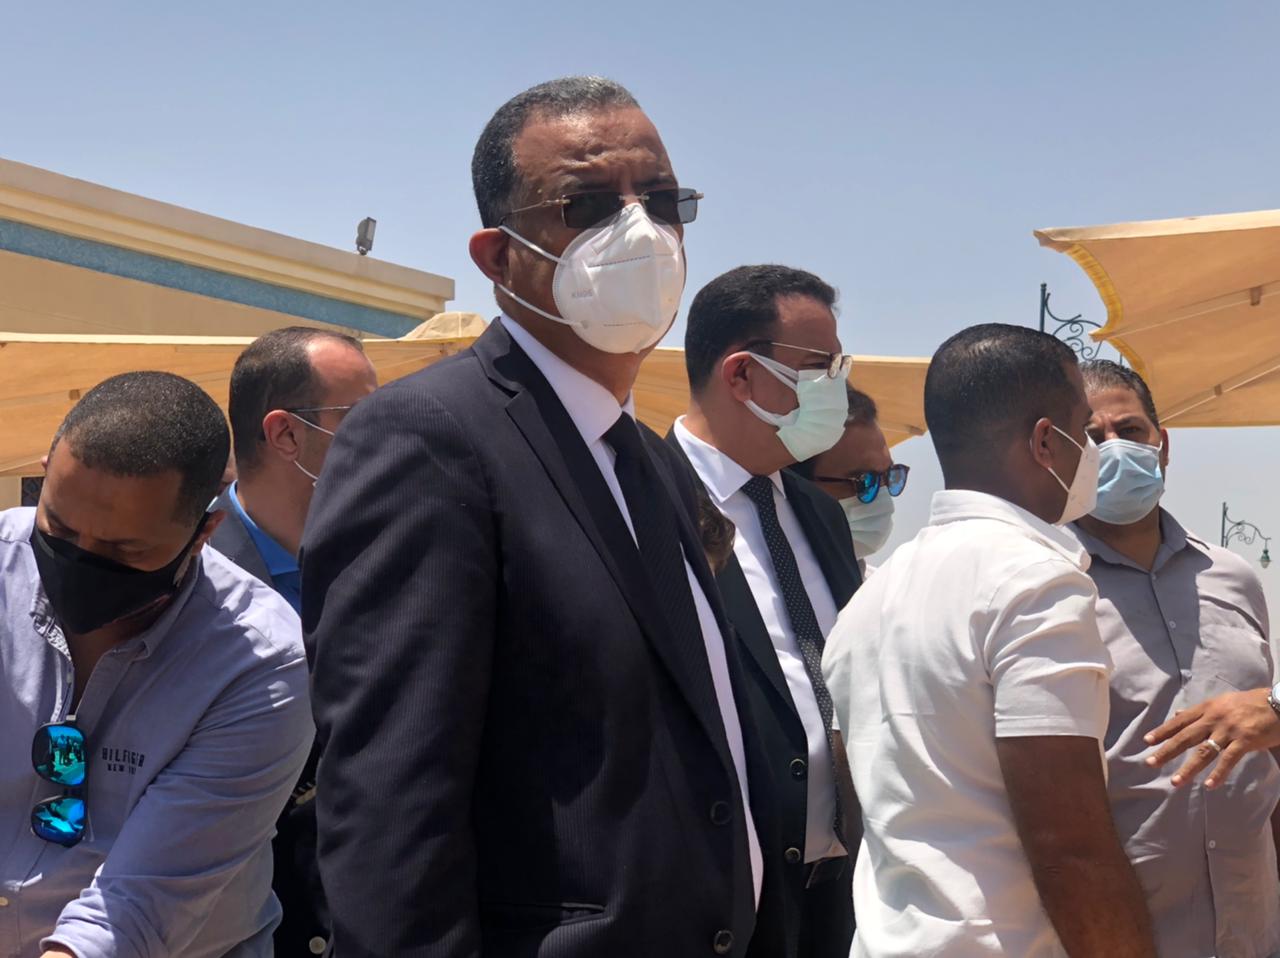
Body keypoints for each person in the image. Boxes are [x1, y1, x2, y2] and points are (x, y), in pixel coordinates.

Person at [301, 76, 763, 957]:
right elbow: (390, 803)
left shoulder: (647, 460)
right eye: (587, 205)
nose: (641, 231)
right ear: (497, 256)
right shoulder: (428, 439)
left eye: (662, 201)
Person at [823, 324, 1157, 957]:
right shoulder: (1034, 582)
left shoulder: (872, 596)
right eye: (1083, 432)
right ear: (1045, 442)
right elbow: (1071, 848)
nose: (1093, 453)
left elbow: (856, 800)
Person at [0, 371, 311, 957]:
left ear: (203, 532)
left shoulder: (261, 664)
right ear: (45, 472)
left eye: (125, 550)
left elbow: (136, 909)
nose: (79, 561)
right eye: (59, 527)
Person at [669, 264, 860, 958]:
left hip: (840, 892)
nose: (834, 389)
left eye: (838, 367)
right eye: (816, 368)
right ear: (742, 375)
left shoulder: (818, 514)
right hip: (720, 898)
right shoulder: (646, 500)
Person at [1067, 359, 1280, 956]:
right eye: (1091, 437)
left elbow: (1266, 751)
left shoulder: (1233, 577)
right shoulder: (1050, 589)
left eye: (1129, 430)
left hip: (1255, 928)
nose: (1114, 448)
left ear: (1163, 444)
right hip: (1130, 936)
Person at [216, 326, 378, 957]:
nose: (388, 438)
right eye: (362, 419)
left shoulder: (396, 561)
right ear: (285, 434)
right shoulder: (182, 576)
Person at [218, 326, 378, 612]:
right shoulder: (190, 575)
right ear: (285, 434)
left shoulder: (385, 551)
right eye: (363, 416)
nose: (384, 433)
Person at [792, 384, 909, 574]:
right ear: (800, 484)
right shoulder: (762, 583)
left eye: (890, 476)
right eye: (864, 482)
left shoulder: (881, 585)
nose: (883, 498)